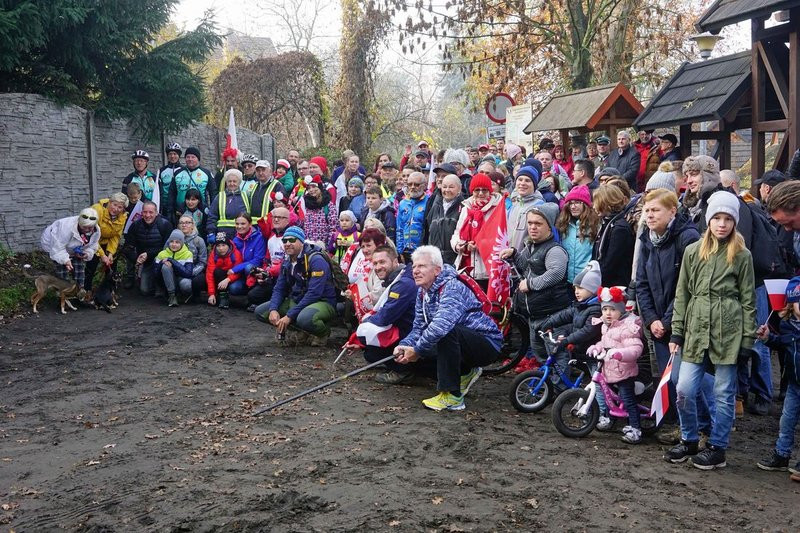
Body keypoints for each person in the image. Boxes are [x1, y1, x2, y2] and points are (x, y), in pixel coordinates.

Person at [666, 191, 757, 470]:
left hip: (728, 329)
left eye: (727, 219)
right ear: (708, 220)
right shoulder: (693, 251)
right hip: (696, 327)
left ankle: (718, 447)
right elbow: (682, 294)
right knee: (683, 387)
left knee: (723, 392)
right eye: (717, 217)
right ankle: (689, 438)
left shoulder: (742, 256)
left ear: (734, 222)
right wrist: (677, 331)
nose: (721, 224)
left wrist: (747, 340)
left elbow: (748, 300)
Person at [635, 189, 711, 444]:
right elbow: (642, 283)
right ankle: (686, 427)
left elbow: (686, 287)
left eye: (655, 210)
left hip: (684, 322)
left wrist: (666, 320)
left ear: (672, 211)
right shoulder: (647, 238)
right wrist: (651, 318)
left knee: (685, 379)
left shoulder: (687, 239)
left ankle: (705, 427)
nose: (649, 215)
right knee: (671, 380)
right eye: (646, 210)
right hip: (657, 320)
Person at [393, 246, 503, 411]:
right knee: (424, 348)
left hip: (487, 344)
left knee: (444, 332)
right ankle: (466, 373)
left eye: (421, 266)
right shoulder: (422, 292)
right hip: (463, 343)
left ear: (437, 270)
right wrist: (405, 345)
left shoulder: (452, 287)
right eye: (414, 266)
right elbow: (418, 327)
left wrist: (417, 350)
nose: (415, 271)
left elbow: (441, 326)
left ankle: (453, 396)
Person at [501, 204, 572, 372]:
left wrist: (531, 284)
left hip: (552, 315)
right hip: (535, 316)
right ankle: (549, 391)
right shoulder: (532, 245)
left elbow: (556, 273)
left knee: (557, 357)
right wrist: (514, 254)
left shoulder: (554, 249)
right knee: (542, 358)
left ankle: (563, 393)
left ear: (549, 225)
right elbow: (524, 266)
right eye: (530, 223)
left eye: (538, 224)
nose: (532, 227)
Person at [353, 245, 420, 384]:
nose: (378, 267)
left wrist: (366, 321)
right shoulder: (397, 278)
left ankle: (404, 371)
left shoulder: (404, 283)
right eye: (375, 263)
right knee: (370, 352)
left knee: (369, 342)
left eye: (382, 262)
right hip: (406, 330)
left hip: (412, 335)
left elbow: (385, 317)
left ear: (395, 261)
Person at [586, 286, 645, 444]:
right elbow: (604, 343)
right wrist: (596, 347)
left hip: (624, 371)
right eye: (605, 309)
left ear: (620, 310)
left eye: (612, 310)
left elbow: (636, 348)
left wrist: (621, 354)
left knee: (627, 399)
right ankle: (609, 418)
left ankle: (635, 428)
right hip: (609, 371)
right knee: (608, 397)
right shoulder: (606, 326)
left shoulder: (626, 328)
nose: (608, 313)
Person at [262, 227, 338, 346]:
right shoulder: (287, 260)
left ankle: (323, 333)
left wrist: (289, 316)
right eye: (285, 241)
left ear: (301, 242)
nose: (287, 243)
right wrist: (273, 309)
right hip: (299, 299)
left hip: (322, 301)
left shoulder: (316, 260)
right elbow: (279, 288)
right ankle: (303, 332)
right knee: (262, 312)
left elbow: (314, 293)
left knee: (305, 318)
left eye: (292, 240)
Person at [755, 277, 800, 479]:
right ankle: (782, 455)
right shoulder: (788, 326)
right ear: (791, 304)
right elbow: (780, 344)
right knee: (787, 420)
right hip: (794, 383)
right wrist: (766, 338)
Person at [538, 260, 603, 386]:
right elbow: (564, 315)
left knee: (598, 381)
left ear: (593, 289)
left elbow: (588, 331)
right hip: (582, 350)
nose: (576, 291)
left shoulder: (595, 309)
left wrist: (568, 340)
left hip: (593, 352)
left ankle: (600, 403)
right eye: (575, 288)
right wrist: (549, 322)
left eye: (581, 288)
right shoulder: (581, 305)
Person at [452, 173, 504, 287]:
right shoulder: (467, 208)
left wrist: (481, 245)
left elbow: (501, 237)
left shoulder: (497, 209)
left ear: (490, 191)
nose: (481, 193)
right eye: (477, 190)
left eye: (484, 190)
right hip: (466, 267)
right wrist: (459, 245)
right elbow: (457, 233)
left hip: (486, 270)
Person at [40, 208, 101, 291]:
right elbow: (58, 249)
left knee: (79, 270)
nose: (87, 230)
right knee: (62, 272)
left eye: (90, 227)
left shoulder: (96, 231)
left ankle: (79, 293)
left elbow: (93, 245)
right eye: (84, 227)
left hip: (74, 247)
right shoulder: (65, 228)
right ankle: (62, 295)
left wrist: (87, 253)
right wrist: (66, 261)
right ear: (79, 222)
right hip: (54, 244)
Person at [125, 201, 173, 295]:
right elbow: (127, 247)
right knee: (145, 290)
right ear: (141, 212)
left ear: (156, 213)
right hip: (146, 261)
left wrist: (149, 254)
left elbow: (169, 248)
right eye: (145, 212)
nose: (147, 215)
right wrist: (136, 259)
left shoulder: (165, 224)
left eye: (151, 212)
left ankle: (163, 286)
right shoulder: (135, 225)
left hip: (162, 260)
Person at [85, 193, 129, 294]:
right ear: (109, 202)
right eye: (114, 204)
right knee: (91, 266)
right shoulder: (96, 210)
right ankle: (86, 291)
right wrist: (102, 255)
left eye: (120, 207)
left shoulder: (122, 217)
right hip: (92, 241)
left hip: (107, 241)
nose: (116, 209)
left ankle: (109, 291)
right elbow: (92, 236)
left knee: (111, 265)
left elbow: (116, 236)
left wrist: (110, 254)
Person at [250, 207, 292, 311]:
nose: (276, 220)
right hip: (272, 276)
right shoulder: (272, 236)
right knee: (252, 295)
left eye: (280, 217)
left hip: (286, 277)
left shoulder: (291, 237)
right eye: (274, 217)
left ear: (287, 220)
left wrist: (268, 272)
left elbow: (288, 262)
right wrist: (263, 274)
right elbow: (267, 259)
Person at [592, 184, 635, 287]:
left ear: (606, 203)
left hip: (615, 286)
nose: (593, 206)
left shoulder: (619, 228)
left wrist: (595, 281)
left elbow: (611, 263)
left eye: (596, 202)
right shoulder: (606, 223)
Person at [556, 185, 599, 283]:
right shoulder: (563, 224)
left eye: (577, 203)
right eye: (570, 203)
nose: (573, 206)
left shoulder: (595, 224)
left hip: (587, 280)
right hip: (566, 280)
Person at [423, 174, 463, 265]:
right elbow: (427, 231)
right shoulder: (435, 206)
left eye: (451, 187)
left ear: (459, 189)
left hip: (454, 261)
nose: (447, 190)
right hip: (435, 260)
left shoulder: (463, 207)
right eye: (444, 187)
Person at [507, 166, 545, 251]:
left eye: (527, 180)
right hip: (509, 259)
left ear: (534, 185)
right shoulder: (514, 206)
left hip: (526, 260)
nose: (522, 183)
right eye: (520, 179)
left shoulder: (539, 206)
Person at [154, 230, 194, 307]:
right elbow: (156, 274)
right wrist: (161, 263)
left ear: (182, 243)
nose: (174, 244)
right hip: (166, 281)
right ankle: (172, 296)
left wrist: (171, 260)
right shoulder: (162, 254)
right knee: (166, 266)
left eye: (177, 242)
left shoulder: (188, 254)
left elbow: (188, 273)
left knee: (187, 284)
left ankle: (184, 295)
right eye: (171, 241)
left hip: (181, 279)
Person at [207, 169, 250, 240]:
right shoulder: (220, 196)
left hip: (242, 235)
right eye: (229, 181)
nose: (232, 183)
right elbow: (212, 216)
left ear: (239, 182)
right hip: (223, 235)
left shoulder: (246, 196)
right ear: (226, 182)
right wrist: (211, 232)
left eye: (234, 181)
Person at [395, 171, 429, 260]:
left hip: (422, 251)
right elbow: (399, 228)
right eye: (410, 184)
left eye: (416, 184)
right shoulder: (403, 203)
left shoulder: (429, 202)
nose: (412, 187)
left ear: (424, 185)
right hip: (405, 251)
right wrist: (400, 250)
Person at [173, 146, 216, 214]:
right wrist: (170, 212)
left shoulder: (206, 173)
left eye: (193, 157)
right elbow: (172, 194)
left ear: (198, 159)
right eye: (188, 157)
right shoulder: (177, 173)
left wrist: (213, 211)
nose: (190, 159)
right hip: (181, 212)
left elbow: (213, 193)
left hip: (201, 211)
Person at [206, 232, 243, 309]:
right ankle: (215, 295)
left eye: (223, 245)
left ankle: (224, 297)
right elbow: (210, 273)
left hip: (231, 278)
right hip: (218, 276)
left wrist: (228, 279)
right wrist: (211, 293)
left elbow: (238, 272)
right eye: (218, 246)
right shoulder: (214, 254)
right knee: (200, 281)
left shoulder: (236, 254)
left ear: (228, 245)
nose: (221, 248)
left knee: (234, 287)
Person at [300, 175, 338, 250]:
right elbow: (303, 225)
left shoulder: (328, 205)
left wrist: (329, 247)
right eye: (309, 188)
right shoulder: (306, 205)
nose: (311, 190)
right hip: (308, 246)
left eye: (314, 187)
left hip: (324, 247)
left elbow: (333, 228)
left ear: (319, 187)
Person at [177, 214, 208, 303]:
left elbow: (203, 262)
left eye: (187, 223)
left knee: (186, 285)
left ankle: (192, 294)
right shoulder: (174, 239)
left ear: (193, 225)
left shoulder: (199, 241)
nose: (184, 225)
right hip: (178, 270)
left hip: (194, 271)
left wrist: (190, 273)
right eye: (181, 223)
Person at [158, 142, 183, 221]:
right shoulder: (162, 171)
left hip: (179, 206)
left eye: (175, 154)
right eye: (170, 154)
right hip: (165, 206)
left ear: (179, 155)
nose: (172, 156)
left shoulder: (184, 170)